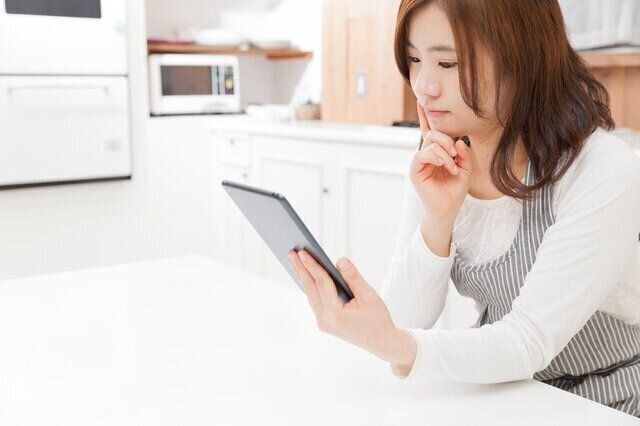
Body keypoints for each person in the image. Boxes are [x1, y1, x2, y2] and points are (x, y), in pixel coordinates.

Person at [288, 0, 640, 417]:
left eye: (448, 63)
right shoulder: (441, 156)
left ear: (521, 58)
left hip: (609, 400)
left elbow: (528, 341)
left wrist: (395, 343)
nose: (423, 86)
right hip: (509, 393)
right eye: (414, 59)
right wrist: (438, 220)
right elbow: (403, 322)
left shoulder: (601, 168)